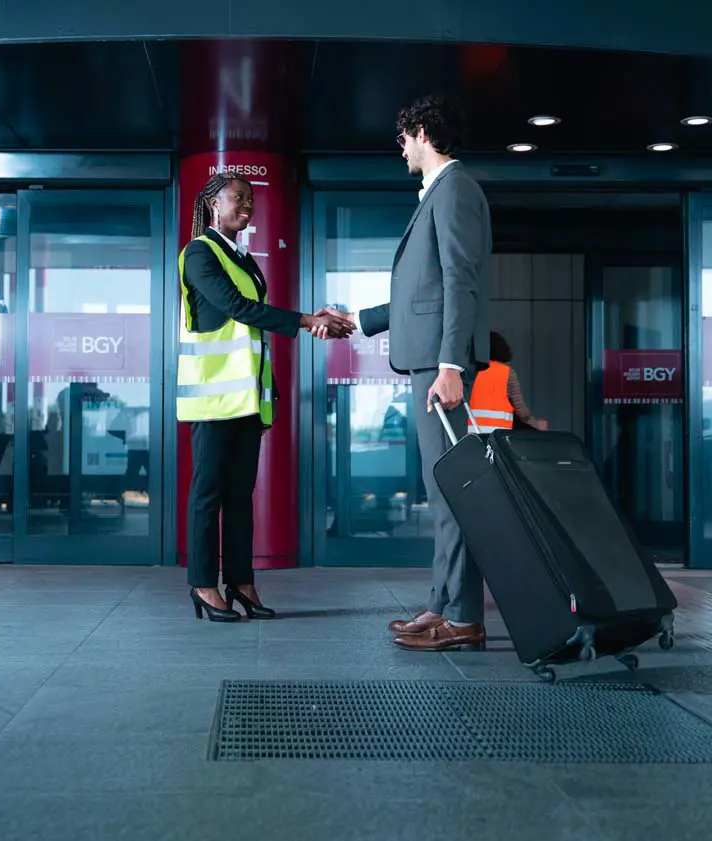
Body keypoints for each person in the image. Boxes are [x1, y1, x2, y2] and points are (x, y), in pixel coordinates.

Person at [318, 93, 491, 651]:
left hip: (438, 367)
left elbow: (460, 280)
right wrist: (359, 320)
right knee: (442, 488)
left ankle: (462, 617)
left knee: (453, 492)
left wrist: (449, 365)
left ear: (420, 132)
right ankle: (444, 603)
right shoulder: (441, 191)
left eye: (402, 141)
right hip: (426, 361)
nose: (401, 152)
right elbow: (425, 291)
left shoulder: (455, 188)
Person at [180, 171, 353, 623]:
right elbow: (237, 308)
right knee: (208, 493)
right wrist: (306, 320)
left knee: (240, 495)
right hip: (216, 398)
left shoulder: (245, 257)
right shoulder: (199, 253)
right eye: (238, 198)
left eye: (251, 201)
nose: (247, 207)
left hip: (249, 397)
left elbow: (251, 325)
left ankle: (240, 582)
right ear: (214, 203)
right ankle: (202, 583)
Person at [474, 331, 549, 434]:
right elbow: (522, 412)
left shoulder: (467, 372)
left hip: (470, 435)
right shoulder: (507, 373)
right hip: (499, 437)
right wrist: (536, 424)